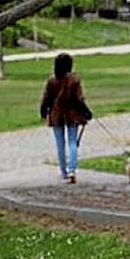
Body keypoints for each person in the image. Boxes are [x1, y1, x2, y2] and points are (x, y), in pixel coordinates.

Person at [39, 53, 89, 184]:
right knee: (73, 142)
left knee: (60, 144)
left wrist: (43, 111)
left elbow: (46, 98)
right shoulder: (75, 80)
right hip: (72, 114)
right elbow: (80, 99)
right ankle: (72, 169)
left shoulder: (51, 80)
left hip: (56, 115)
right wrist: (86, 112)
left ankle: (64, 172)